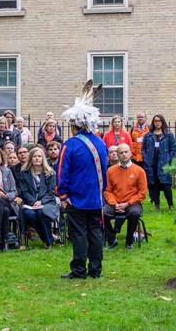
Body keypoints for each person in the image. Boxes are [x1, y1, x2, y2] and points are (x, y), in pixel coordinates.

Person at [57, 81, 108, 279]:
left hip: (77, 199)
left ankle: (79, 269)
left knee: (78, 234)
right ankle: (95, 269)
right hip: (95, 198)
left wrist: (62, 194)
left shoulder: (70, 146)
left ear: (75, 124)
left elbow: (62, 172)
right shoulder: (101, 143)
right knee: (95, 233)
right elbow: (105, 170)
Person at [103, 143, 148, 250]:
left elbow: (142, 193)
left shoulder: (139, 171)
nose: (124, 154)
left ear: (131, 153)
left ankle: (129, 241)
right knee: (102, 213)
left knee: (134, 213)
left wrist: (127, 204)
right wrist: (115, 204)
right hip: (115, 203)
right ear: (117, 155)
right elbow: (107, 191)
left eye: (126, 152)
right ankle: (111, 239)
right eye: (121, 152)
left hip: (132, 203)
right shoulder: (110, 171)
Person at [20, 146, 59, 248]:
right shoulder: (24, 173)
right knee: (30, 214)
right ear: (30, 158)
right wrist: (34, 202)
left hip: (47, 203)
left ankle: (48, 241)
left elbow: (51, 193)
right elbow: (24, 192)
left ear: (43, 158)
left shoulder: (50, 173)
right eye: (34, 156)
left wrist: (41, 202)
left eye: (39, 156)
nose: (37, 158)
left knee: (41, 212)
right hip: (30, 204)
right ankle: (48, 239)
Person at [141, 114, 176, 211]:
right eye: (155, 121)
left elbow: (173, 149)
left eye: (159, 121)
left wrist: (168, 158)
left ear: (162, 122)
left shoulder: (168, 134)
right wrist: (146, 158)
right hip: (151, 164)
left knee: (166, 185)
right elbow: (143, 149)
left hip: (164, 164)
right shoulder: (148, 135)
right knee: (154, 185)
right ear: (153, 122)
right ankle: (157, 205)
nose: (157, 123)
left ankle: (171, 205)